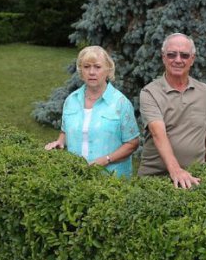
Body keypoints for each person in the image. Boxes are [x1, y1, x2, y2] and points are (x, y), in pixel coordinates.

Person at [138, 33, 206, 188]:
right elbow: (157, 134)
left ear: (192, 59)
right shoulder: (149, 93)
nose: (177, 60)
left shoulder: (205, 92)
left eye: (184, 55)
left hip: (195, 177)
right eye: (171, 54)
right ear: (163, 57)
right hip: (155, 178)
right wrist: (176, 170)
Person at [44, 46, 140, 178]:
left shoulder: (121, 103)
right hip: (76, 177)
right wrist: (60, 142)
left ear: (108, 70)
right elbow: (65, 132)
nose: (92, 72)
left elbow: (132, 143)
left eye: (97, 67)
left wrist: (106, 159)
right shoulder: (71, 100)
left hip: (112, 180)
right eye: (87, 67)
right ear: (81, 71)